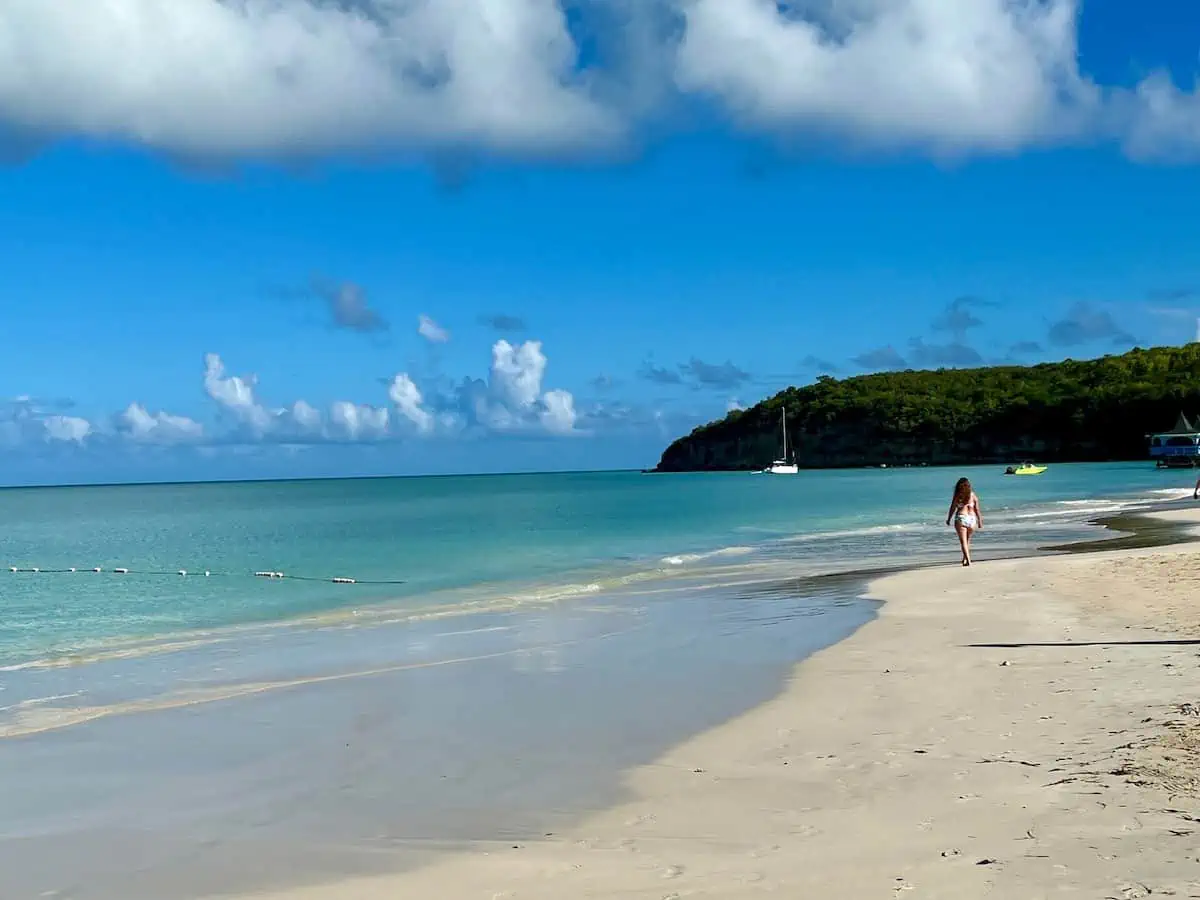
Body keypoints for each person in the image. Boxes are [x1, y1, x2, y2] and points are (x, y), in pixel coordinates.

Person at [946, 477, 982, 567]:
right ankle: (965, 559)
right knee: (967, 540)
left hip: (961, 518)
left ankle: (968, 560)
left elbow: (953, 508)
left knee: (963, 542)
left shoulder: (958, 495)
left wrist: (949, 519)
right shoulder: (973, 495)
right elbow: (977, 509)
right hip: (972, 519)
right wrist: (980, 521)